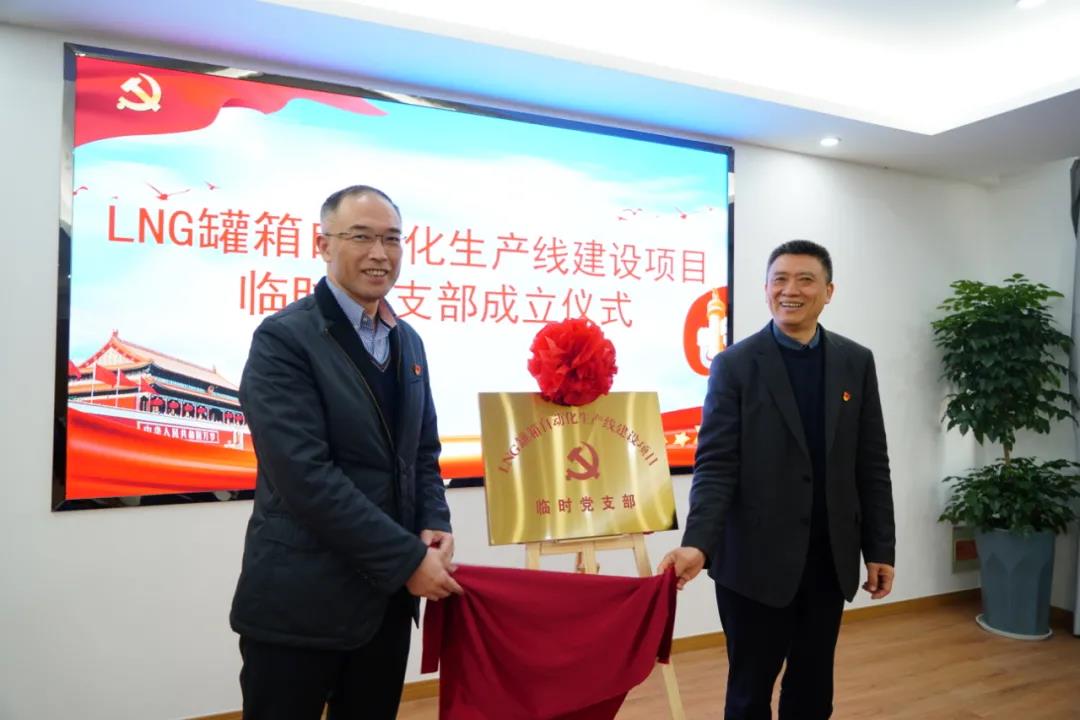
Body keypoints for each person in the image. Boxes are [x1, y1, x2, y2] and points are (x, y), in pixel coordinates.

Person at [230, 185, 462, 720]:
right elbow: (305, 477)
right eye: (361, 237)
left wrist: (434, 520)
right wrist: (407, 560)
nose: (380, 254)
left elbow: (422, 453)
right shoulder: (284, 339)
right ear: (323, 244)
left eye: (392, 239)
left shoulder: (408, 341)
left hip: (384, 604)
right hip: (299, 603)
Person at [659, 240, 895, 720]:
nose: (791, 290)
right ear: (765, 289)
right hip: (754, 563)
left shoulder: (855, 361)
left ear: (828, 291)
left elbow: (871, 462)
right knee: (749, 692)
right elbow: (716, 464)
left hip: (828, 559)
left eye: (806, 280)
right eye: (780, 279)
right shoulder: (735, 365)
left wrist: (880, 548)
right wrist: (698, 543)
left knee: (812, 689)